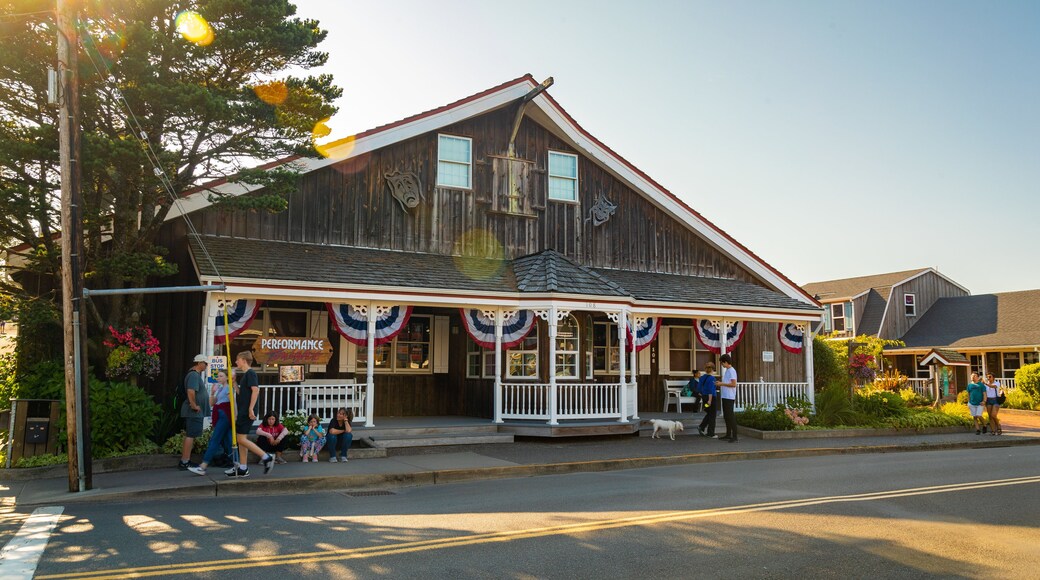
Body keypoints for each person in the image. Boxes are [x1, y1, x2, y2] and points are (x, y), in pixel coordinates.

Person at [225, 351, 274, 477]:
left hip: (246, 411)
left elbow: (255, 390)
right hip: (243, 410)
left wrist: (251, 409)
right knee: (242, 439)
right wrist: (234, 382)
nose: (236, 362)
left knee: (240, 439)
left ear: (244, 360)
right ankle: (243, 467)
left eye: (237, 360)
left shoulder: (251, 373)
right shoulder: (246, 375)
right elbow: (242, 394)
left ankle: (266, 457)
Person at [187, 370, 234, 477]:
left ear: (227, 378)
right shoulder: (220, 389)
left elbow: (233, 402)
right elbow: (212, 403)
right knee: (228, 441)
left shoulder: (228, 388)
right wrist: (212, 393)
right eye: (218, 376)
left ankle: (203, 466)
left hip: (225, 415)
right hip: (220, 415)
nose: (219, 378)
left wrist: (234, 416)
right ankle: (238, 463)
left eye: (221, 376)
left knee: (215, 439)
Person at [178, 355, 209, 470]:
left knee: (191, 434)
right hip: (193, 411)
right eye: (205, 363)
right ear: (200, 363)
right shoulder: (194, 375)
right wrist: (194, 405)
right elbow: (190, 391)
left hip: (195, 411)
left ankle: (186, 460)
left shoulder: (193, 375)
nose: (206, 366)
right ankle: (184, 461)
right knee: (190, 435)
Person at [719, 354, 738, 443]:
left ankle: (735, 436)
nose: (722, 365)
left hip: (729, 397)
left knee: (730, 416)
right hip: (725, 396)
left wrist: (722, 384)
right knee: (726, 416)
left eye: (722, 363)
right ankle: (728, 434)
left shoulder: (732, 371)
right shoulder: (727, 371)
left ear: (726, 362)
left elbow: (734, 384)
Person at [697, 362, 718, 438]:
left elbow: (699, 388)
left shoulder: (702, 378)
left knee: (709, 413)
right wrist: (710, 400)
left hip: (704, 397)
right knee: (713, 415)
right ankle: (710, 433)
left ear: (705, 369)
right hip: (711, 399)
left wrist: (703, 395)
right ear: (713, 369)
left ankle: (701, 427)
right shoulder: (712, 379)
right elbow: (711, 390)